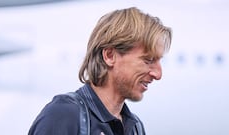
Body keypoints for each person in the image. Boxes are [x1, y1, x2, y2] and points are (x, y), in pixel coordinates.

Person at [28, 7, 172, 135]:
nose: (158, 74)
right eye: (148, 60)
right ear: (109, 56)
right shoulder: (63, 116)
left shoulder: (135, 128)